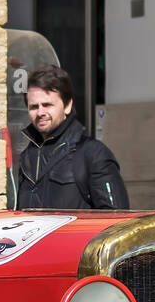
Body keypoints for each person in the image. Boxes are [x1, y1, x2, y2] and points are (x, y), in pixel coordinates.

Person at [15, 65, 129, 211]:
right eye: (34, 107)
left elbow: (116, 219)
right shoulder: (27, 157)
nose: (40, 112)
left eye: (47, 105)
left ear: (67, 106)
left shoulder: (93, 154)